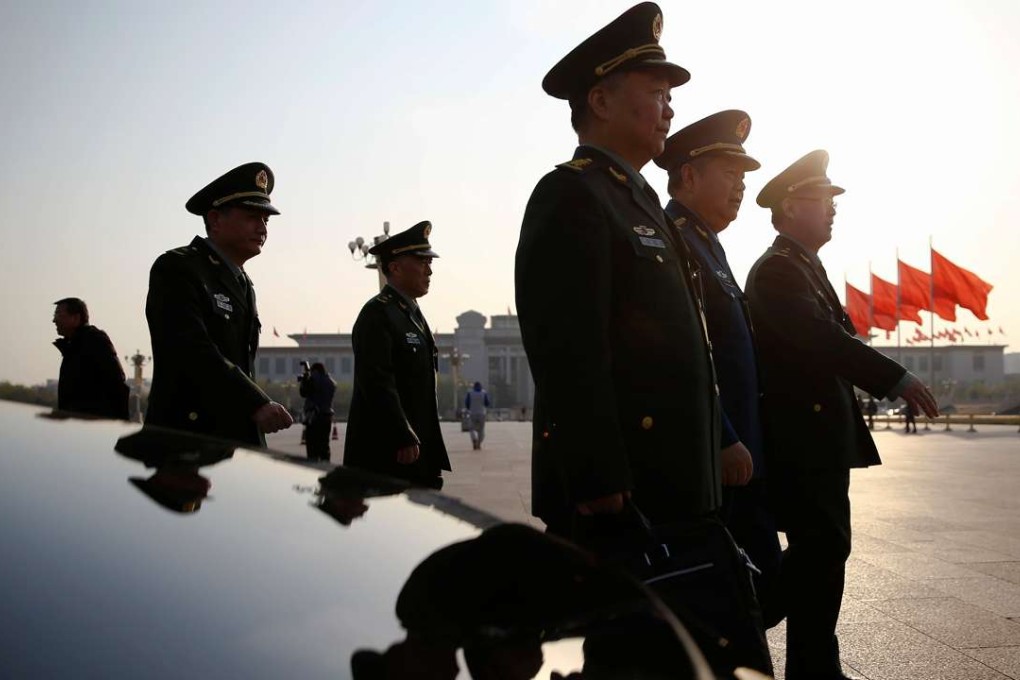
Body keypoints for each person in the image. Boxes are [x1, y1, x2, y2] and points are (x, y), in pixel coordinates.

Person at [515, 4, 770, 675]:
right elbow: (569, 349)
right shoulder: (571, 197)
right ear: (599, 99)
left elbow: (685, 353)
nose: (667, 108)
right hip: (628, 499)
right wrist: (599, 479)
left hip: (678, 490)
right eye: (655, 93)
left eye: (669, 95)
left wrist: (715, 436)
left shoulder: (641, 203)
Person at [746, 149, 939, 680]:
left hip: (818, 438)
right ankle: (741, 619)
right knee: (821, 550)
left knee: (824, 552)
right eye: (821, 200)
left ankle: (812, 665)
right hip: (801, 440)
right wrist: (894, 377)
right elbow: (823, 339)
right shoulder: (779, 271)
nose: (832, 209)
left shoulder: (802, 266)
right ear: (789, 206)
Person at [653, 110, 783, 627]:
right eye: (729, 175)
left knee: (759, 595)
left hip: (740, 456)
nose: (740, 188)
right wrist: (724, 435)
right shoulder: (675, 238)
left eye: (744, 178)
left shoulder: (708, 242)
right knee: (722, 607)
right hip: (713, 458)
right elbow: (681, 351)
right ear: (688, 176)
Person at [144, 162, 293, 447]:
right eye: (252, 216)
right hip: (188, 438)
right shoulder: (177, 268)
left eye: (266, 220)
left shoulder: (243, 284)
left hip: (236, 436)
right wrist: (255, 402)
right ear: (215, 219)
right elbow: (191, 349)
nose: (262, 227)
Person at [344, 221, 451, 489]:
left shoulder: (412, 315)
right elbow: (377, 381)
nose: (430, 270)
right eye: (422, 261)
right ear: (394, 267)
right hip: (388, 452)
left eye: (430, 262)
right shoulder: (377, 314)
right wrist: (400, 433)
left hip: (416, 449)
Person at [52, 297, 130, 420]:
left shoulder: (94, 341)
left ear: (76, 318)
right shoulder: (74, 346)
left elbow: (116, 383)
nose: (54, 320)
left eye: (59, 315)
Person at [299, 361, 337, 461]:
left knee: (312, 448)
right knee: (324, 446)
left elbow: (303, 392)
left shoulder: (312, 379)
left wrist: (304, 380)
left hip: (314, 417)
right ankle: (325, 467)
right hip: (327, 417)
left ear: (314, 370)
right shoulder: (331, 382)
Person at [464, 381, 491, 450]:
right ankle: (479, 442)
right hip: (482, 413)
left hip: (472, 413)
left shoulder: (470, 393)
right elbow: (487, 403)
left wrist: (469, 408)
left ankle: (474, 439)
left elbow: (467, 404)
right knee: (481, 430)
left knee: (472, 428)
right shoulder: (484, 393)